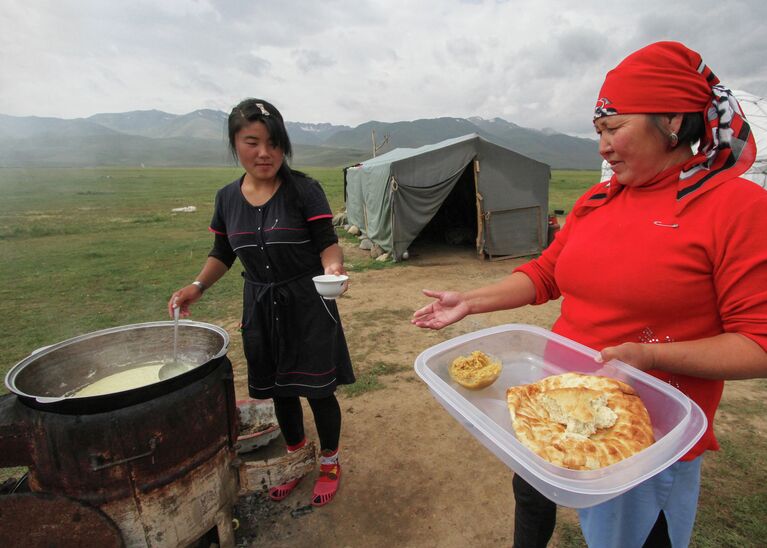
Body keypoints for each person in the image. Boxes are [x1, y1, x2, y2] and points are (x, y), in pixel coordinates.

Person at [412, 41, 767, 547]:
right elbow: (545, 274)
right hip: (552, 393)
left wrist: (645, 356)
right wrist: (470, 300)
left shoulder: (735, 206)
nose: (602, 146)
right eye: (599, 131)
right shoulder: (597, 200)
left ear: (672, 120)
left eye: (614, 128)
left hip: (640, 430)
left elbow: (759, 343)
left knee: (634, 537)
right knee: (533, 495)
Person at [168, 98, 355, 507]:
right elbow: (223, 252)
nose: (264, 152)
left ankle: (329, 462)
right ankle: (295, 458)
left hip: (308, 304)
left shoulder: (304, 190)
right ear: (235, 144)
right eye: (252, 142)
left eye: (273, 142)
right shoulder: (227, 198)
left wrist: (334, 271)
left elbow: (327, 245)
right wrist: (197, 286)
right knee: (280, 391)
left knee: (319, 391)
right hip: (260, 307)